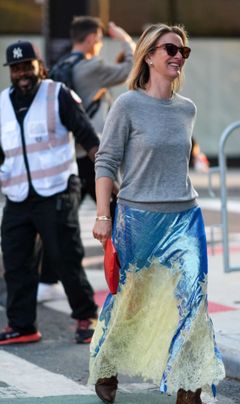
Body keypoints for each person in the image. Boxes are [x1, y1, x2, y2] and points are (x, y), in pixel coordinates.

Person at [89, 23, 225, 404]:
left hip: (184, 217)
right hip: (137, 218)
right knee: (128, 299)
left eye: (184, 49)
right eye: (170, 48)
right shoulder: (127, 105)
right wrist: (102, 214)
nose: (178, 55)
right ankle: (108, 363)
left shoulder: (188, 109)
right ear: (149, 55)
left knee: (194, 303)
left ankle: (190, 397)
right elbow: (106, 161)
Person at [0, 40, 99, 345]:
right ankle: (22, 325)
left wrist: (108, 176)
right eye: (16, 69)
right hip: (17, 194)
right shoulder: (2, 103)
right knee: (16, 262)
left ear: (39, 66)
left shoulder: (57, 94)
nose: (22, 74)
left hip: (56, 189)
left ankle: (86, 316)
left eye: (27, 66)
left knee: (65, 256)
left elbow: (88, 137)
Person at [38, 17, 135, 302]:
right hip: (96, 155)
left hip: (73, 154)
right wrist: (126, 39)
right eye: (100, 38)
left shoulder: (63, 66)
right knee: (117, 214)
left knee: (63, 220)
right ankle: (129, 273)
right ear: (93, 38)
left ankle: (46, 280)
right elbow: (130, 69)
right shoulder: (91, 66)